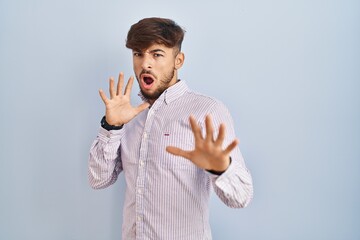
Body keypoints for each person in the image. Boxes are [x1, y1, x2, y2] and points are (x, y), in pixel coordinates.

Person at [88, 17, 253, 240]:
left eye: (156, 54)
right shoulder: (130, 117)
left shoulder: (206, 111)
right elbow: (99, 180)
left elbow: (241, 196)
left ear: (178, 60)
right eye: (138, 53)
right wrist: (112, 126)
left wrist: (221, 167)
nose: (145, 63)